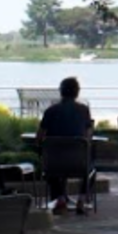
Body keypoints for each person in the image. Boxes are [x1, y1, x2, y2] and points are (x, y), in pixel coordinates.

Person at [37, 76, 94, 215]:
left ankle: (60, 198)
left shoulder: (50, 111)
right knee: (91, 167)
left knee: (48, 163)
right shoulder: (84, 111)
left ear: (61, 91)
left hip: (54, 163)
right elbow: (88, 136)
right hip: (78, 163)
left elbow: (39, 137)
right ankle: (81, 199)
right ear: (77, 92)